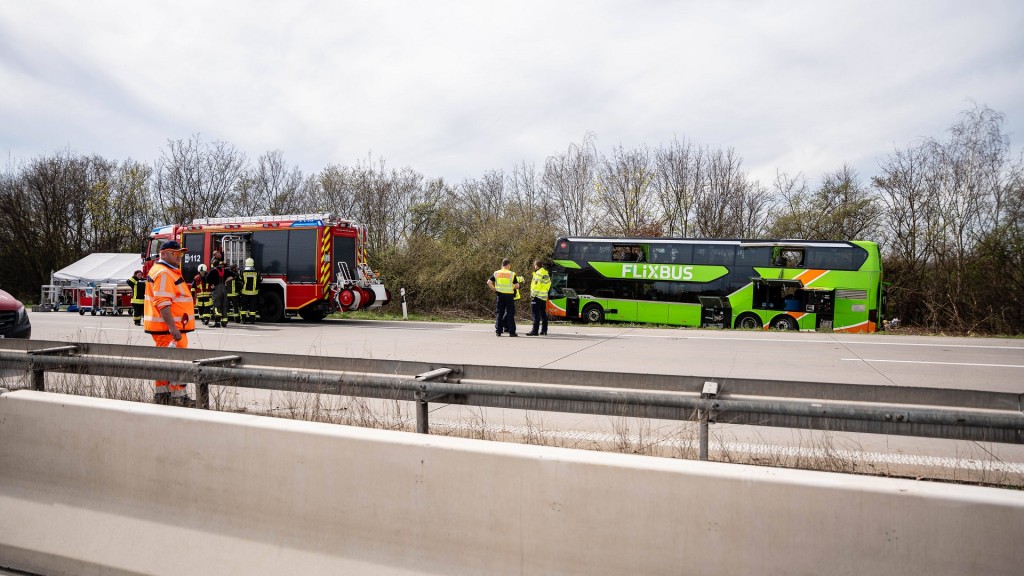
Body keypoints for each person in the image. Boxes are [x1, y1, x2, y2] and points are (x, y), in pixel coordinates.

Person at [144, 240, 196, 406]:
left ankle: (163, 396)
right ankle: (178, 397)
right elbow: (163, 303)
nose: (179, 257)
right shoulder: (164, 273)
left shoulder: (164, 271)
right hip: (169, 330)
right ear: (164, 254)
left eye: (181, 253)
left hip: (166, 330)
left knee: (165, 363)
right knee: (176, 363)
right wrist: (173, 328)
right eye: (176, 253)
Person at [487, 258, 520, 337]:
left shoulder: (496, 273)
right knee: (510, 314)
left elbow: (488, 282)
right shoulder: (512, 274)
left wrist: (494, 290)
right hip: (509, 296)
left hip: (500, 295)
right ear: (508, 265)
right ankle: (512, 332)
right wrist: (512, 286)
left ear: (502, 265)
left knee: (499, 313)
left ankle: (498, 331)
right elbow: (517, 286)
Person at [525, 259, 551, 336]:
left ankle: (535, 331)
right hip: (543, 297)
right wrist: (545, 291)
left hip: (537, 297)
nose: (534, 266)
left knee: (535, 314)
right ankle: (544, 330)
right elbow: (549, 284)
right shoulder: (545, 273)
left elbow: (536, 286)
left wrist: (533, 295)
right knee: (543, 314)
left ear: (536, 265)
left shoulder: (538, 274)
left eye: (534, 265)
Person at [208, 260, 236, 328]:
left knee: (217, 305)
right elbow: (234, 275)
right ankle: (224, 322)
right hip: (224, 289)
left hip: (217, 289)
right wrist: (226, 281)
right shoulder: (225, 270)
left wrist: (212, 284)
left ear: (213, 265)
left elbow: (207, 278)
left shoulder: (213, 271)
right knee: (224, 305)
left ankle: (217, 323)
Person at [239, 258, 261, 324]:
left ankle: (243, 320)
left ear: (246, 264)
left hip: (245, 292)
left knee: (244, 306)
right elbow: (260, 280)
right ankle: (252, 320)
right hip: (254, 293)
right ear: (253, 264)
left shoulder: (243, 272)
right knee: (253, 307)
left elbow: (240, 279)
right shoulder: (257, 272)